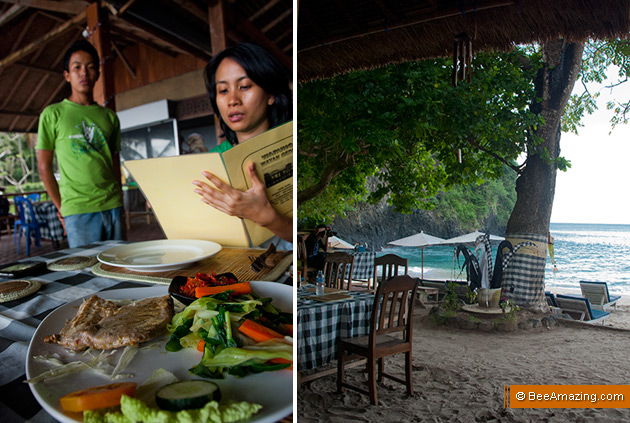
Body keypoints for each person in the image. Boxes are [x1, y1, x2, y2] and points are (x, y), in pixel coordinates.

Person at [192, 43, 292, 244]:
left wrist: (266, 217)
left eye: (244, 86)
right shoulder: (209, 162)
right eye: (222, 90)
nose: (232, 100)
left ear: (270, 94)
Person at [36, 40, 123, 248]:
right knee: (86, 272)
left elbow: (112, 162)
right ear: (67, 75)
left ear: (98, 74)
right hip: (77, 209)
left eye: (91, 67)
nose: (84, 73)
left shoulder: (109, 117)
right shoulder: (53, 114)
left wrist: (119, 199)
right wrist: (61, 208)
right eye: (77, 67)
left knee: (120, 265)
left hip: (113, 205)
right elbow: (43, 167)